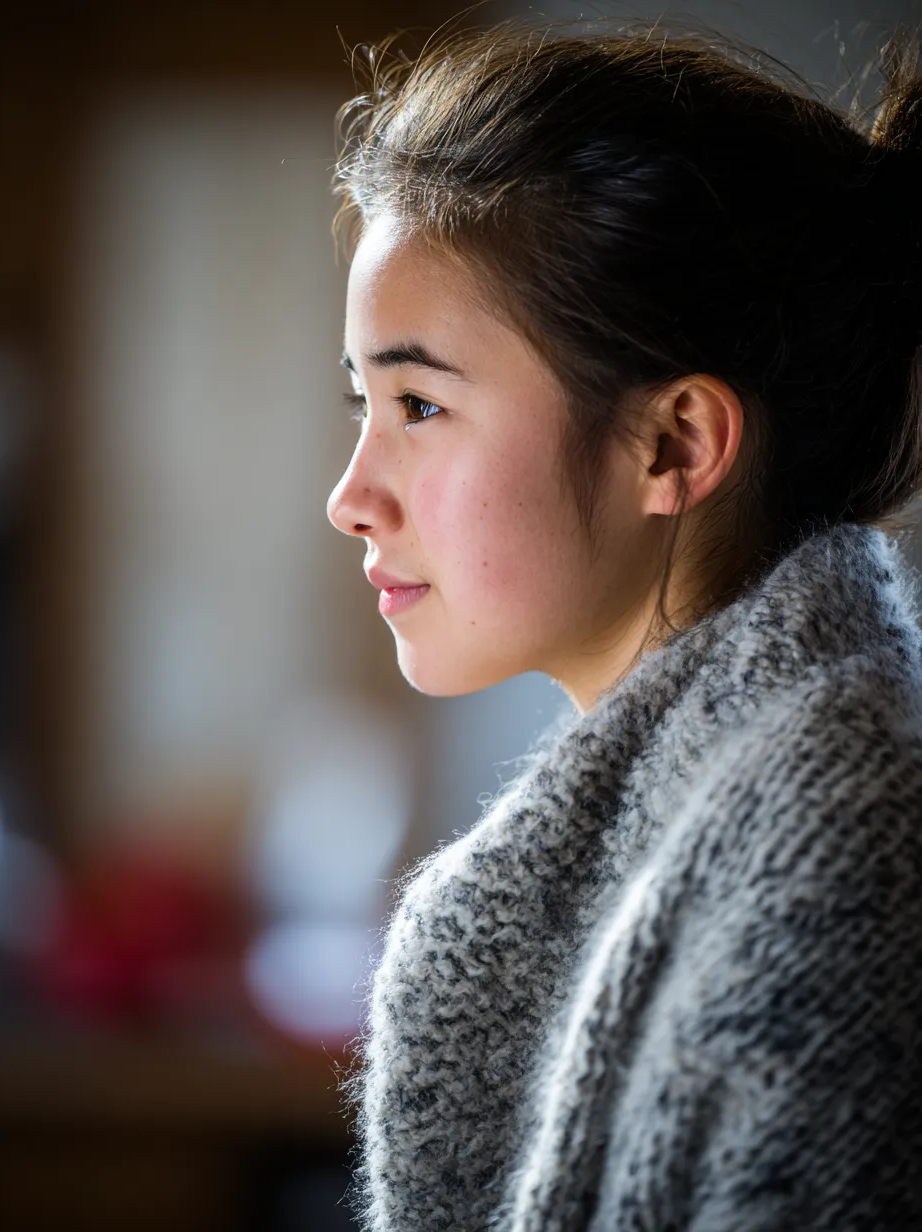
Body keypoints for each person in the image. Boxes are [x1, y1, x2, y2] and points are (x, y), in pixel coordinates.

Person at [325, 15, 922, 1230]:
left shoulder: (849, 842)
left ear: (673, 443)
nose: (349, 497)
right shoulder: (738, 800)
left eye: (421, 404)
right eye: (364, 403)